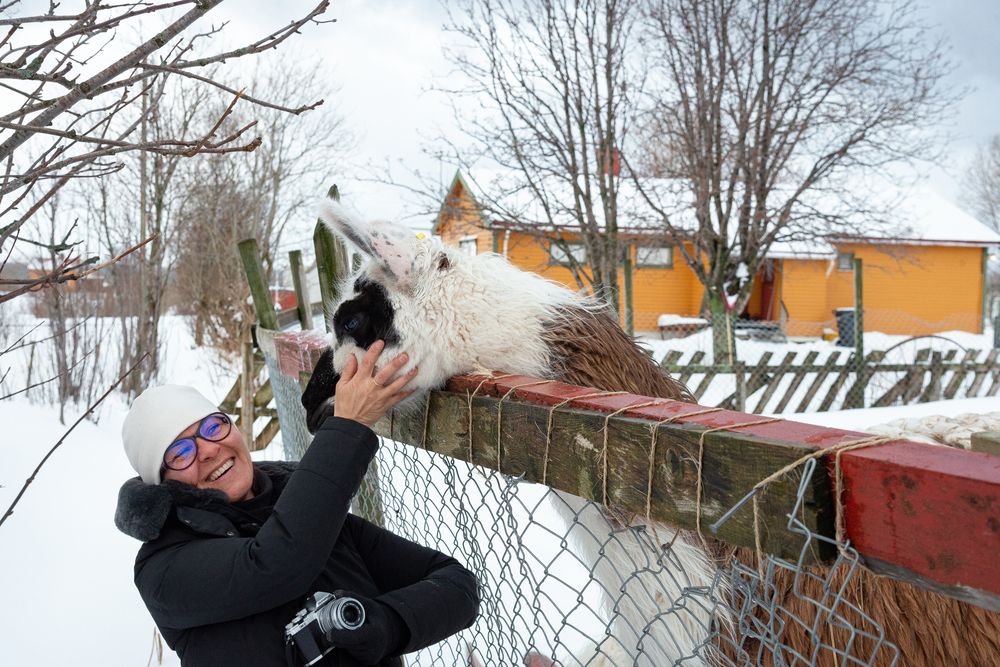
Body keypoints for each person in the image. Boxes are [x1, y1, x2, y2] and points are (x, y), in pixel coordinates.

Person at [115, 340, 480, 667]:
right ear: (163, 484)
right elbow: (276, 564)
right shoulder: (162, 569)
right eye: (180, 452)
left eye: (212, 427)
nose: (208, 450)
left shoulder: (316, 517)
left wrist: (384, 623)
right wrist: (348, 426)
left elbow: (457, 585)